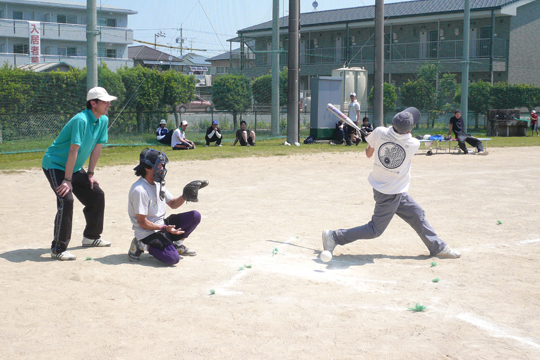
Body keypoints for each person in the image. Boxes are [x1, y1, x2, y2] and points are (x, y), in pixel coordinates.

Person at [322, 107, 461, 260]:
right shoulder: (413, 143)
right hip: (389, 193)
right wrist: (375, 137)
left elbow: (369, 154)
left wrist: (373, 139)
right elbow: (399, 138)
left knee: (417, 214)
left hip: (392, 190)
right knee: (375, 230)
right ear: (410, 129)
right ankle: (334, 237)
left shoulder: (380, 131)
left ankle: (437, 247)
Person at [42, 87, 117, 260]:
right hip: (55, 164)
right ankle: (58, 248)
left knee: (96, 195)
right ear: (93, 103)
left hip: (74, 167)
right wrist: (67, 180)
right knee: (66, 199)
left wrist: (90, 173)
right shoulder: (81, 120)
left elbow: (97, 148)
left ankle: (91, 237)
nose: (108, 104)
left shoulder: (103, 120)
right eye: (105, 101)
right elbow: (72, 152)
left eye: (108, 101)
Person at [128, 148, 201, 264]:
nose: (163, 168)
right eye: (160, 165)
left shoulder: (157, 183)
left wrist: (184, 196)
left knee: (195, 216)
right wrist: (164, 229)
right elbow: (142, 222)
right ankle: (141, 244)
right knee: (172, 258)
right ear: (147, 167)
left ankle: (177, 245)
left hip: (162, 225)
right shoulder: (140, 190)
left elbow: (173, 203)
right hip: (148, 232)